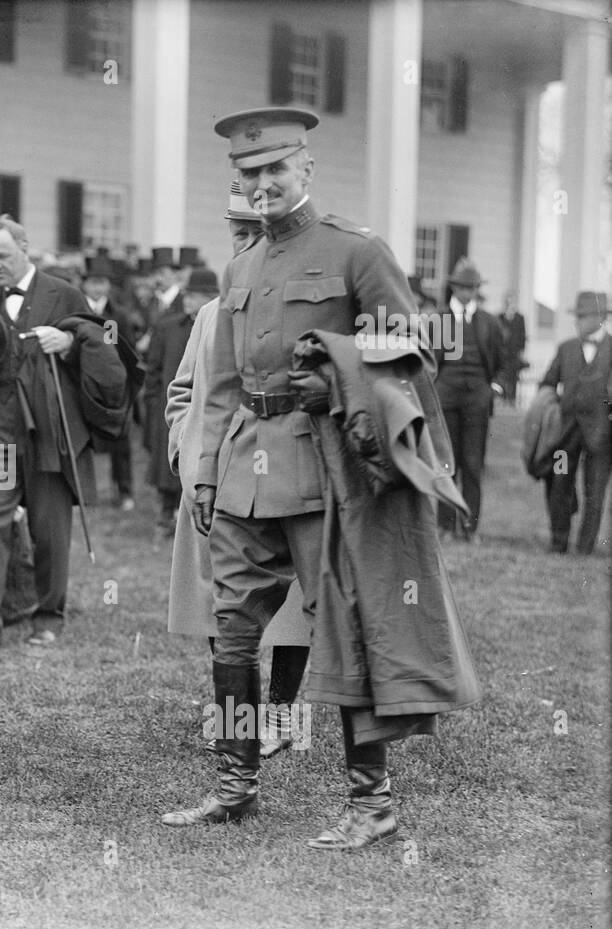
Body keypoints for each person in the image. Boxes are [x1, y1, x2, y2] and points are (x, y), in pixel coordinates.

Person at [171, 106, 438, 849]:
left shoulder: (356, 251)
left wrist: (342, 377)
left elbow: (412, 352)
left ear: (306, 169)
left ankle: (371, 800)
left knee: (347, 631)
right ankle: (236, 783)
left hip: (328, 473)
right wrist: (204, 475)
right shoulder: (240, 267)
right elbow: (222, 382)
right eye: (247, 174)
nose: (260, 184)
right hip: (244, 470)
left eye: (273, 169)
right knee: (230, 629)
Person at [165, 180, 311, 760]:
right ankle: (236, 719)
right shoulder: (208, 313)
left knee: (290, 607)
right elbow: (182, 392)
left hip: (280, 480)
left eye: (260, 234)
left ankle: (280, 713)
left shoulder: (300, 312)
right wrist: (185, 447)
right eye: (240, 234)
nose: (249, 245)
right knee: (219, 604)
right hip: (210, 484)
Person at [0, 215, 123, 647]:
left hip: (50, 431)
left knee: (48, 528)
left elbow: (107, 348)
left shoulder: (65, 294)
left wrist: (73, 344)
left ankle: (49, 616)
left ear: (24, 248)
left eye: (3, 255)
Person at [434, 257, 506, 541]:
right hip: (446, 399)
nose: (466, 293)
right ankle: (445, 526)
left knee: (473, 465)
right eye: (461, 287)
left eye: (471, 288)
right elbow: (427, 362)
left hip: (477, 401)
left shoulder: (489, 323)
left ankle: (469, 527)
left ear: (477, 289)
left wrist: (495, 388)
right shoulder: (438, 320)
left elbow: (503, 363)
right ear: (453, 288)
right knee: (447, 465)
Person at [538, 291, 612, 555]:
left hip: (601, 437)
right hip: (564, 435)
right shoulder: (566, 348)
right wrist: (554, 405)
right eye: (577, 316)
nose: (578, 322)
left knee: (595, 492)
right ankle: (558, 542)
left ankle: (585, 547)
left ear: (600, 318)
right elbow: (547, 382)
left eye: (583, 317)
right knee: (559, 485)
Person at [146, 266, 218, 535]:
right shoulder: (167, 327)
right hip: (172, 407)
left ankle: (188, 515)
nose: (188, 300)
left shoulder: (217, 325)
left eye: (196, 295)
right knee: (167, 466)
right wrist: (153, 403)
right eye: (187, 295)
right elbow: (152, 369)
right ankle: (165, 516)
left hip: (205, 409)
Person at [82, 254, 137, 510]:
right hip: (82, 383)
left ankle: (124, 490)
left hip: (114, 385)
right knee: (79, 437)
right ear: (85, 284)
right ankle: (83, 490)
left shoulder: (118, 316)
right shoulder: (78, 310)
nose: (97, 287)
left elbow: (128, 352)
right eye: (93, 282)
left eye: (102, 282)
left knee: (120, 440)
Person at [499, 290, 529, 405]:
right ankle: (502, 399)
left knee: (513, 378)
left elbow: (522, 336)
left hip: (514, 354)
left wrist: (521, 352)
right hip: (503, 354)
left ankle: (511, 400)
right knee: (502, 377)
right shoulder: (500, 317)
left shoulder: (520, 318)